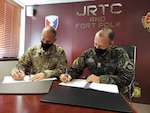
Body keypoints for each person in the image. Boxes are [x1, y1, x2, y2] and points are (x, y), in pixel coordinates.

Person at [60, 27, 135, 99]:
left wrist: (101, 79)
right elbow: (75, 70)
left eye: (101, 46)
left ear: (110, 44)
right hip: (94, 90)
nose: (97, 48)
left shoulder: (119, 54)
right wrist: (68, 75)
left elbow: (127, 78)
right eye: (95, 44)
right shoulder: (89, 53)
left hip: (115, 93)